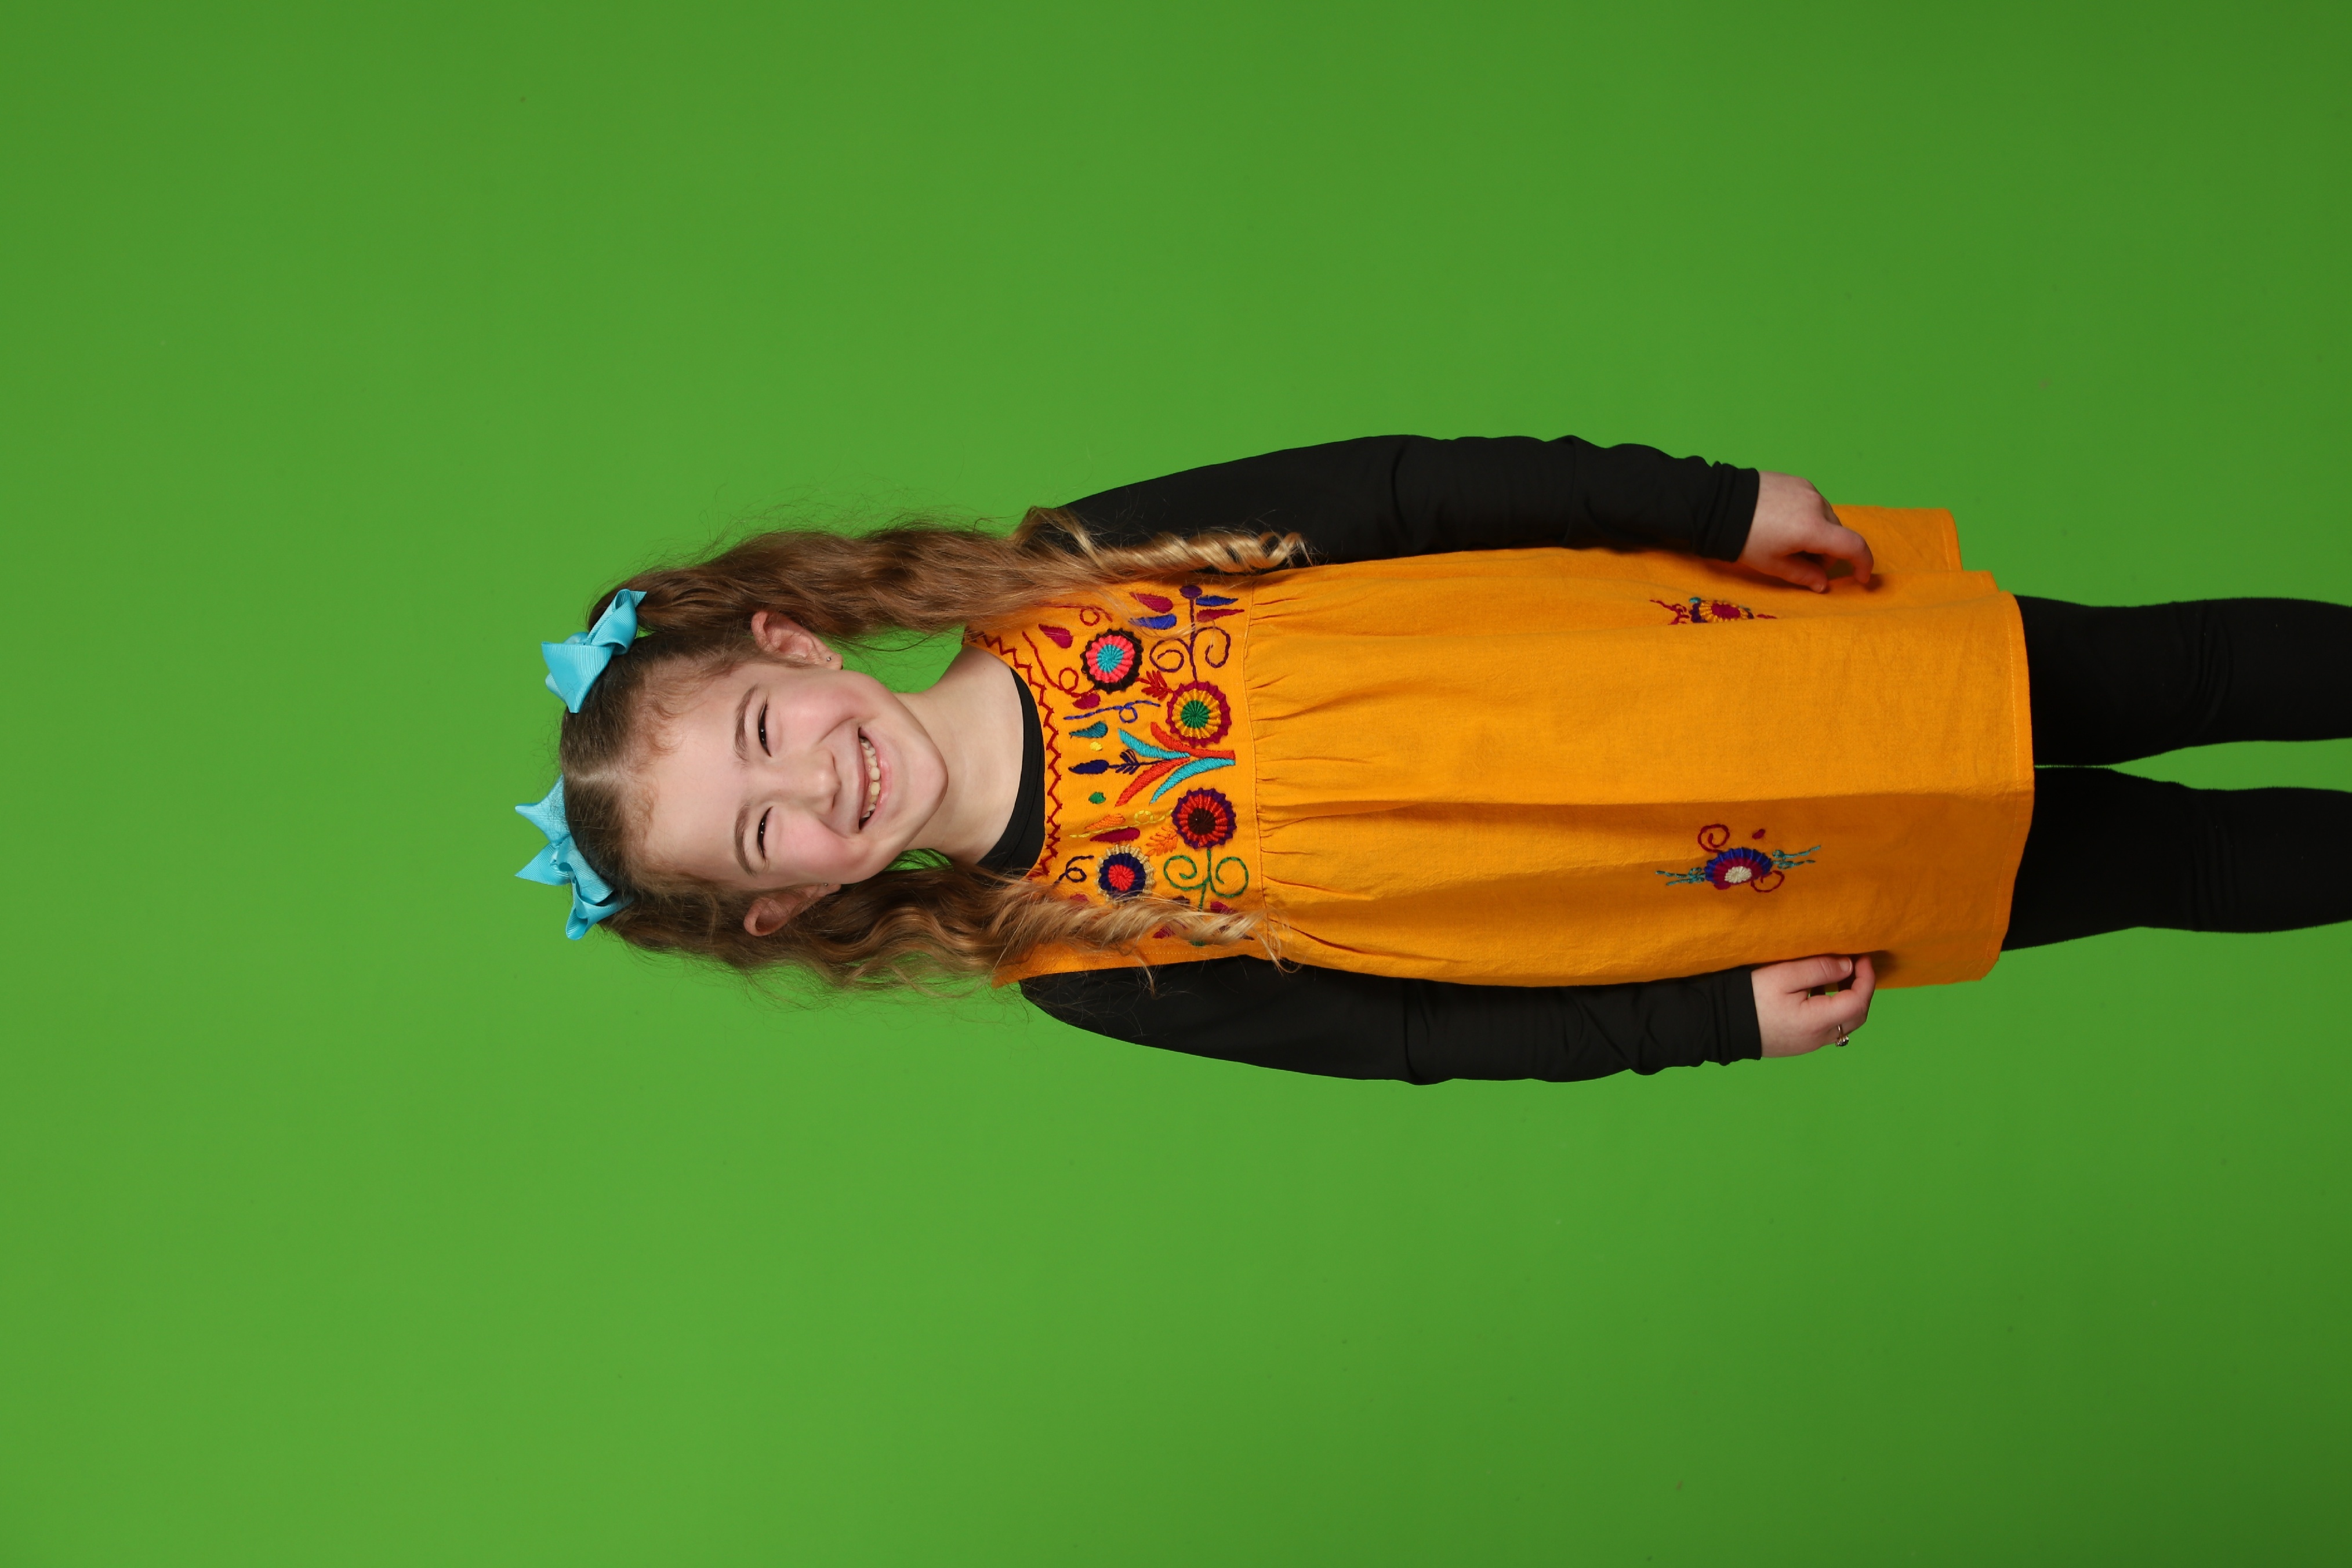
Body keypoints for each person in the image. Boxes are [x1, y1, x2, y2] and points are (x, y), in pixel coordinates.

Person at [514, 435, 2352, 1083]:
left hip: (1729, 659)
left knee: (2159, 671)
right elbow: (1409, 1036)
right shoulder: (1081, 958)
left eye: (765, 736)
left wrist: (1711, 505)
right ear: (785, 911)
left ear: (793, 644)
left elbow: (1404, 491)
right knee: (2164, 866)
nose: (816, 785)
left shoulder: (1082, 564)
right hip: (1709, 889)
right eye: (764, 838)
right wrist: (1706, 1021)